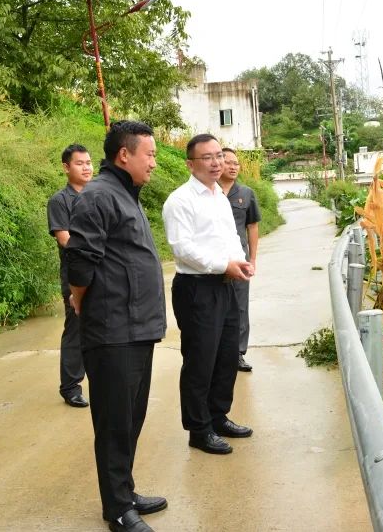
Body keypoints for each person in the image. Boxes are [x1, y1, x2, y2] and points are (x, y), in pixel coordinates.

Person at [66, 121, 167, 532]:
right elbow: (79, 261)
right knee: (113, 423)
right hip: (112, 331)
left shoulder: (126, 194)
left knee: (131, 418)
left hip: (137, 328)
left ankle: (125, 491)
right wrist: (78, 298)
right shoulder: (98, 196)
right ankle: (118, 510)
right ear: (124, 155)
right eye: (150, 154)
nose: (155, 163)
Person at [162, 133, 254, 456]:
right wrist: (222, 265)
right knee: (200, 360)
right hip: (197, 288)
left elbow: (229, 236)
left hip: (226, 283)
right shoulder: (180, 200)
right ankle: (198, 430)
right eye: (208, 158)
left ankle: (218, 416)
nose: (217, 163)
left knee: (227, 355)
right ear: (190, 163)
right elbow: (183, 249)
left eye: (219, 155)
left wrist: (240, 263)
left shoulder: (219, 196)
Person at [47, 144, 93, 408]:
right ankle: (70, 386)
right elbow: (65, 239)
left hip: (103, 271)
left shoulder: (99, 196)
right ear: (66, 167)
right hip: (76, 273)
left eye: (88, 162)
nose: (86, 167)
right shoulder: (60, 201)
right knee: (76, 328)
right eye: (80, 163)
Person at [219, 147, 261, 373]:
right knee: (217, 305)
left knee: (240, 306)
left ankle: (237, 353)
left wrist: (252, 259)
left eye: (236, 163)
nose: (233, 166)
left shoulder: (246, 193)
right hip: (214, 260)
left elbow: (252, 226)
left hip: (239, 260)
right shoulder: (209, 191)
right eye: (228, 162)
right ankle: (218, 351)